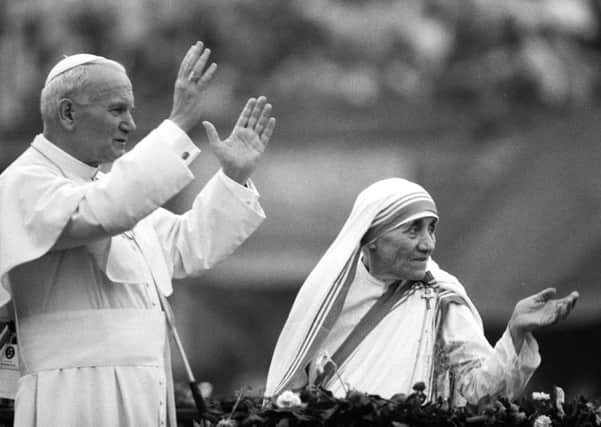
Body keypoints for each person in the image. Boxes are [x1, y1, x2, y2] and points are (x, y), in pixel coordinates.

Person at [0, 41, 276, 426]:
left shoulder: (108, 188)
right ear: (67, 113)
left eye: (130, 110)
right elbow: (104, 211)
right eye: (117, 109)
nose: (130, 123)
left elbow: (188, 246)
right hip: (73, 398)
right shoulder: (23, 183)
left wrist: (233, 177)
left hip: (144, 389)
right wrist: (177, 124)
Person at [265, 178, 578, 405]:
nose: (427, 243)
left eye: (431, 228)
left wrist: (515, 334)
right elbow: (289, 391)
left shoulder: (440, 295)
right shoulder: (327, 293)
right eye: (412, 229)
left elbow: (482, 393)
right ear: (372, 237)